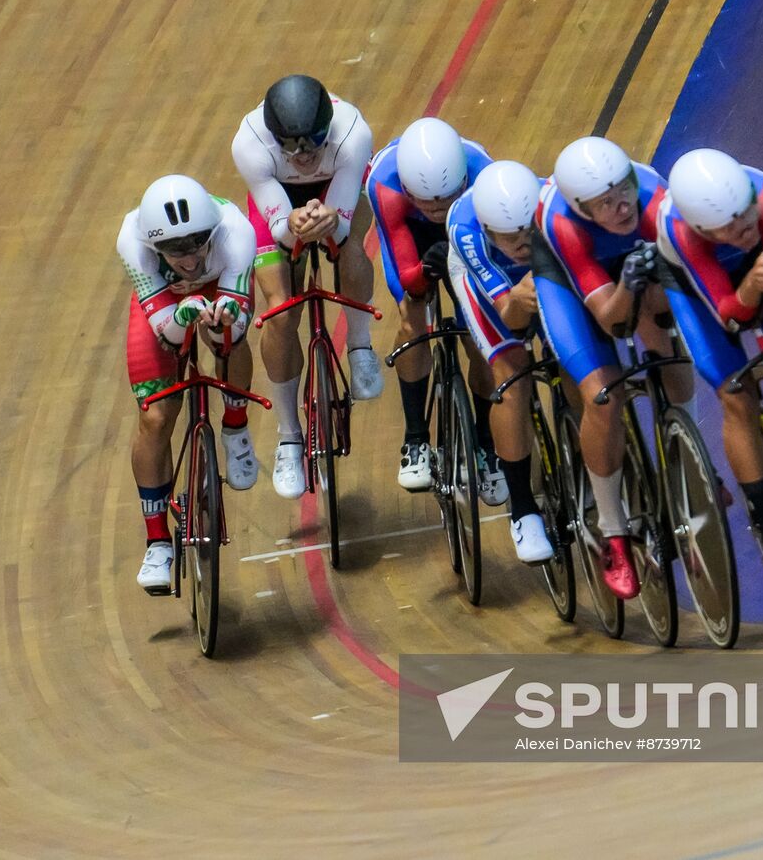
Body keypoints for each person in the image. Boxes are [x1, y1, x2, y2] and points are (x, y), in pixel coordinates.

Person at [533, 136, 695, 600]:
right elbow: (610, 317)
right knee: (603, 396)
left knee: (666, 336)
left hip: (632, 267)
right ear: (582, 206)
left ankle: (687, 455)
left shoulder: (654, 195)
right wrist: (627, 282)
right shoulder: (563, 223)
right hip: (569, 281)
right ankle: (614, 531)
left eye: (624, 190)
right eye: (605, 203)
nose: (622, 206)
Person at [656, 148, 763, 594]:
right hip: (701, 289)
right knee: (736, 393)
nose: (745, 228)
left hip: (752, 272)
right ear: (703, 227)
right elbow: (731, 320)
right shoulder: (681, 232)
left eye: (747, 216)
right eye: (729, 226)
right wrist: (749, 286)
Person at [231, 74, 380, 500]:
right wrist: (291, 224)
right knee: (279, 311)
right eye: (290, 146)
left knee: (349, 246)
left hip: (335, 192)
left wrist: (332, 219)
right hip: (278, 200)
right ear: (273, 135)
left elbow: (344, 221)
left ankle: (360, 347)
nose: (302, 154)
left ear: (328, 129)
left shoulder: (353, 133)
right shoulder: (249, 142)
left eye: (313, 142)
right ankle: (289, 437)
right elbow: (279, 226)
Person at [118, 175, 259, 593]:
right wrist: (183, 314)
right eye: (177, 249)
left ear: (212, 231)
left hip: (221, 291)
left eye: (199, 242)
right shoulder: (131, 240)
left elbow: (236, 323)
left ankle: (236, 428)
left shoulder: (236, 233)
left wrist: (223, 317)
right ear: (154, 246)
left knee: (228, 342)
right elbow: (166, 331)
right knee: (156, 417)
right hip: (165, 303)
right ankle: (158, 541)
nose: (191, 257)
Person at [365, 116, 505, 503]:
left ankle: (485, 442)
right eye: (428, 201)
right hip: (411, 235)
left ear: (463, 180)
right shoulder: (384, 184)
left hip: (470, 229)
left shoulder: (484, 175)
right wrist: (423, 275)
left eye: (446, 197)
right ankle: (415, 440)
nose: (438, 207)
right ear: (409, 189)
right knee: (414, 321)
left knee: (481, 335)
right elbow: (407, 276)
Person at [444, 160, 557, 565]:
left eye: (529, 232)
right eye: (512, 239)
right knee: (511, 375)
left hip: (548, 271)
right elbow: (509, 315)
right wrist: (523, 302)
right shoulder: (467, 231)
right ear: (491, 231)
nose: (524, 243)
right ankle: (523, 510)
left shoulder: (552, 205)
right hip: (489, 287)